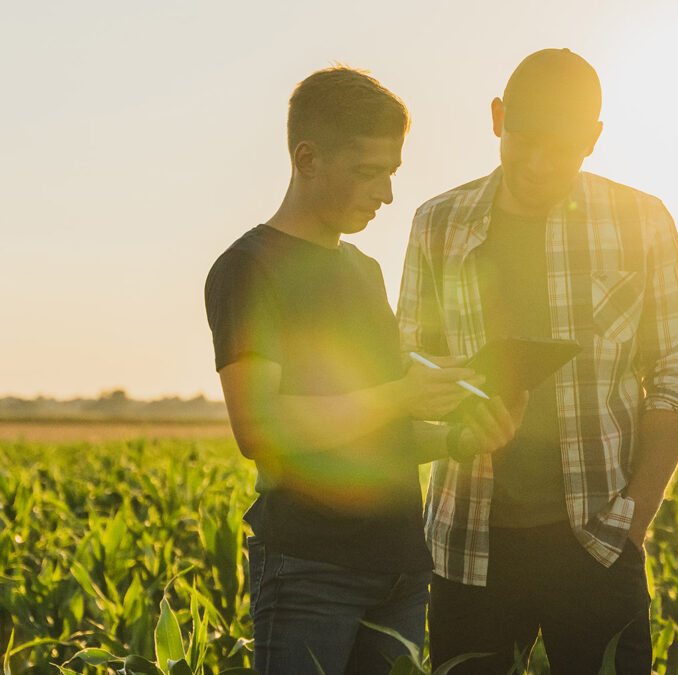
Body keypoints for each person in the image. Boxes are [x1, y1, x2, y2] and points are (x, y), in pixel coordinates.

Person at [204, 66, 524, 675]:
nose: (388, 194)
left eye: (394, 173)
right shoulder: (248, 269)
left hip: (400, 572)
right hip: (310, 572)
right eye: (370, 172)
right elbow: (260, 431)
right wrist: (402, 394)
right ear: (307, 158)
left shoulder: (364, 271)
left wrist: (456, 436)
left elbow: (375, 432)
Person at [397, 49, 678, 673]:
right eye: (525, 140)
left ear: (593, 139)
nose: (538, 164)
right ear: (496, 118)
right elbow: (409, 371)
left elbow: (674, 381)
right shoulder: (437, 224)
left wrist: (632, 525)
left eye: (561, 147)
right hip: (467, 547)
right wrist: (455, 423)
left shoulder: (642, 223)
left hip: (599, 542)